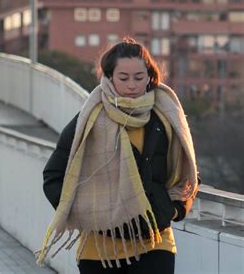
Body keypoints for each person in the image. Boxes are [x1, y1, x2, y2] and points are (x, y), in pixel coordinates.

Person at [37, 38, 199, 274]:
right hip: (100, 249)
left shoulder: (165, 117)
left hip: (156, 243)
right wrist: (87, 213)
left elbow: (188, 174)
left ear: (150, 77)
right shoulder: (89, 120)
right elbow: (54, 176)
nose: (132, 85)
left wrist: (174, 210)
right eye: (124, 78)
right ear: (109, 77)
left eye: (139, 77)